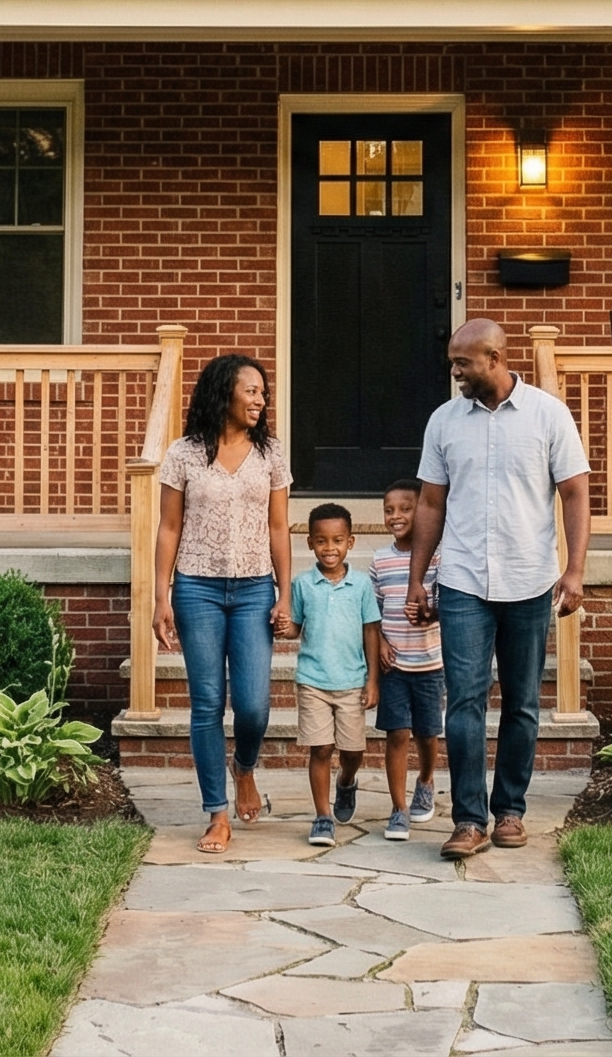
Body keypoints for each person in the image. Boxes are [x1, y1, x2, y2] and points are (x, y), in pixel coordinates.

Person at [407, 318, 591, 860]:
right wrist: (417, 578)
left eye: (463, 363)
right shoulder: (444, 421)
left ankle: (510, 810)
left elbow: (576, 494)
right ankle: (469, 819)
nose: (455, 372)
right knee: (463, 701)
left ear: (494, 358)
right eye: (453, 363)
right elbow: (431, 504)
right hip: (463, 580)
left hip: (529, 578)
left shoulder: (548, 415)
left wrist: (574, 569)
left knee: (523, 703)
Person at [153, 353, 294, 855]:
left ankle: (245, 768)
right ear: (224, 393)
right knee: (207, 705)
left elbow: (279, 527)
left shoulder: (271, 453)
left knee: (254, 706)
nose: (260, 400)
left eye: (262, 392)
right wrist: (160, 595)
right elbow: (169, 527)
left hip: (255, 587)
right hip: (197, 588)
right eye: (251, 391)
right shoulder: (184, 454)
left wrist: (284, 593)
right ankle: (216, 813)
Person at [286, 501, 381, 848]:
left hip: (352, 680)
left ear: (350, 542)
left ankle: (347, 781)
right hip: (313, 679)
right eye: (322, 541)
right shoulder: (303, 584)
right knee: (320, 748)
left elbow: (372, 630)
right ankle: (323, 817)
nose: (330, 548)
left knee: (352, 751)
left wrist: (373, 679)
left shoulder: (360, 585)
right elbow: (295, 628)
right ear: (310, 543)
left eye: (337, 541)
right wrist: (283, 626)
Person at [371, 476, 444, 842]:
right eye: (389, 510)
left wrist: (432, 614)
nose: (395, 516)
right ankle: (398, 808)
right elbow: (372, 613)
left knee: (428, 733)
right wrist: (381, 642)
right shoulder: (380, 561)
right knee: (397, 733)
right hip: (394, 666)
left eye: (404, 508)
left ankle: (427, 779)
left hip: (430, 663)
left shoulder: (438, 558)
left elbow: (448, 606)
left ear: (422, 512)